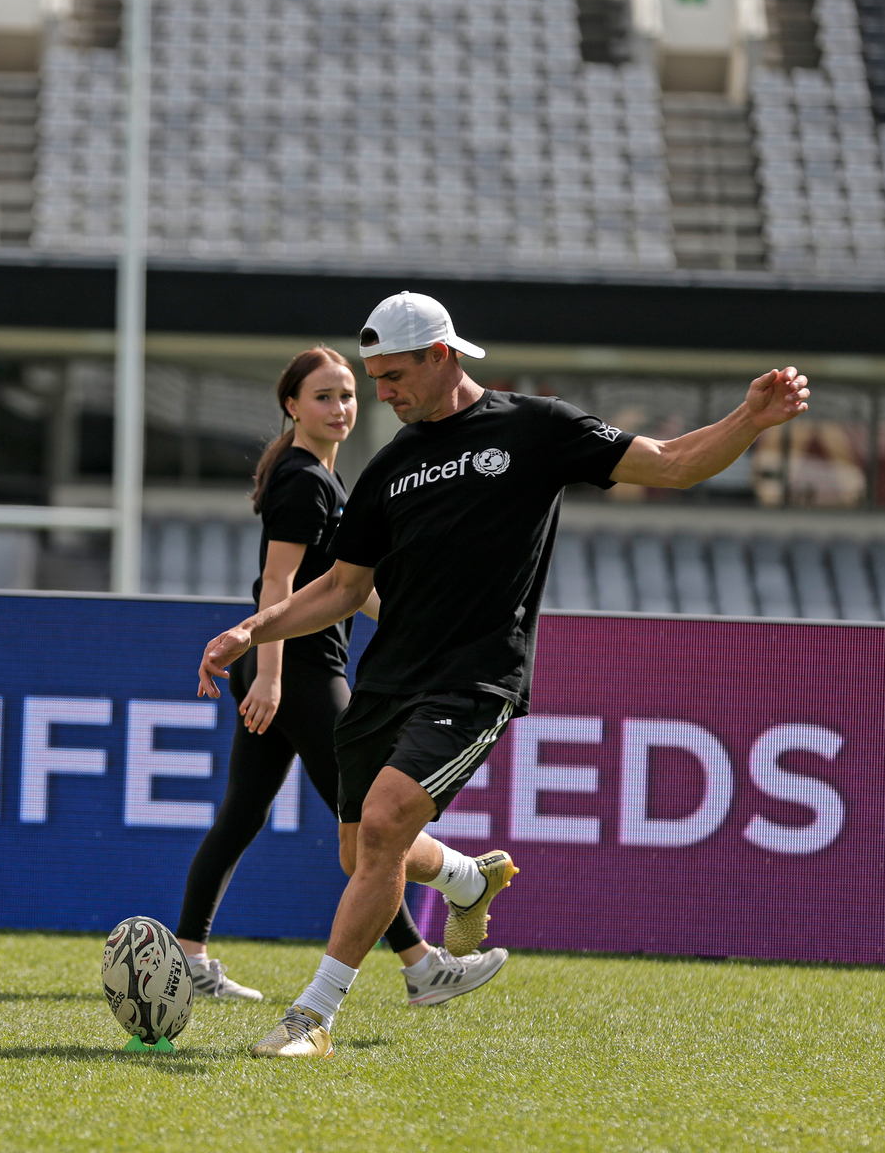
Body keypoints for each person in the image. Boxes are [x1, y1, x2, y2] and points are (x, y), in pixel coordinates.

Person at [199, 292, 812, 1058]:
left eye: (392, 377)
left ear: (443, 356)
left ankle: (313, 1018)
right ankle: (464, 878)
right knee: (364, 856)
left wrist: (749, 419)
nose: (379, 395)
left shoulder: (536, 427)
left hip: (474, 680)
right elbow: (343, 590)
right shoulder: (388, 467)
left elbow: (675, 464)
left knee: (387, 824)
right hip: (387, 683)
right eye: (372, 379)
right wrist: (253, 630)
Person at [175, 345, 504, 1009]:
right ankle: (423, 961)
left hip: (295, 671)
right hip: (298, 673)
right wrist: (268, 676)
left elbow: (350, 590)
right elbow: (278, 582)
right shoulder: (306, 480)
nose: (341, 407)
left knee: (244, 816)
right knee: (372, 831)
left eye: (349, 395)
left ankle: (187, 957)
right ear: (291, 406)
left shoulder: (318, 478)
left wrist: (417, 626)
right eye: (324, 396)